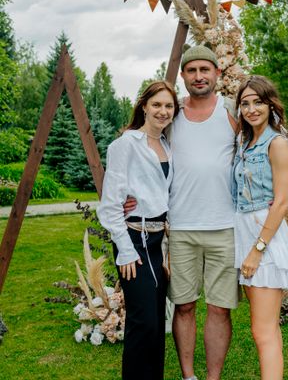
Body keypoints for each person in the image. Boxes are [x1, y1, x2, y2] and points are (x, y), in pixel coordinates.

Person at [124, 45, 238, 380]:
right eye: (192, 70)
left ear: (217, 73)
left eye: (205, 69)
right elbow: (142, 148)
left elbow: (266, 141)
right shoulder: (172, 114)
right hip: (181, 228)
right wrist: (129, 194)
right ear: (184, 76)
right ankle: (189, 376)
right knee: (184, 305)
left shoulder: (232, 110)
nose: (199, 76)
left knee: (219, 308)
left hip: (225, 227)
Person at [97, 80, 179, 380]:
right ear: (144, 106)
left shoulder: (167, 145)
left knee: (156, 322)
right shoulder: (125, 145)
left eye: (168, 106)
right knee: (142, 322)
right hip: (133, 239)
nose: (162, 111)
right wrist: (126, 250)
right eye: (156, 104)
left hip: (158, 242)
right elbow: (110, 205)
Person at [231, 75, 288, 379]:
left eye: (258, 102)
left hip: (264, 238)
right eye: (245, 103)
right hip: (245, 232)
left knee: (264, 331)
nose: (251, 109)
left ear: (270, 104)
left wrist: (257, 250)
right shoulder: (245, 143)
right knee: (263, 328)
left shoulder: (277, 144)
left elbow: (282, 202)